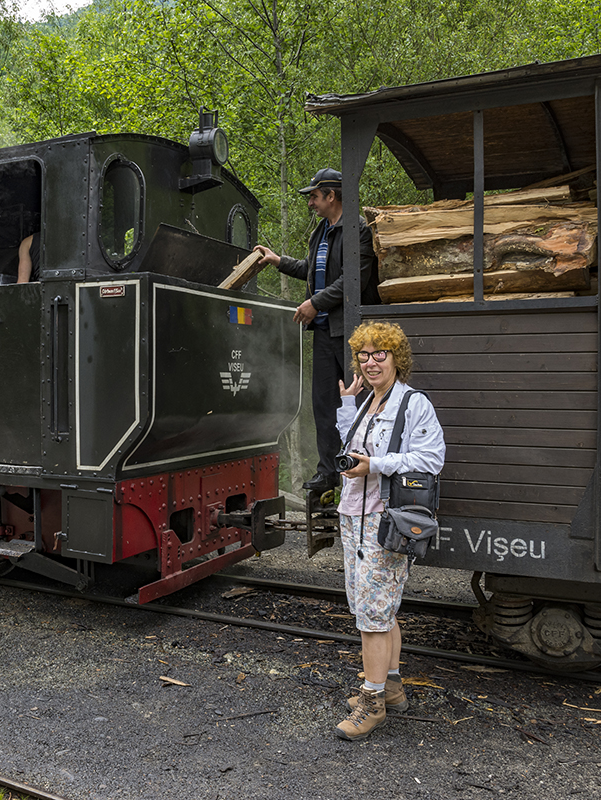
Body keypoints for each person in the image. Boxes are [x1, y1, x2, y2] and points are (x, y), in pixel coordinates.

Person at [331, 321, 445, 740]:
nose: (371, 360)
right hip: (353, 515)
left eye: (381, 353)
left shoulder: (413, 403)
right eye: (364, 353)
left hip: (385, 520)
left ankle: (373, 702)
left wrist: (376, 465)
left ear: (398, 358)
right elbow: (350, 451)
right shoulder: (368, 402)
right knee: (375, 608)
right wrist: (347, 405)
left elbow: (431, 459)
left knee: (372, 616)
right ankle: (393, 686)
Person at [252, 167, 377, 492]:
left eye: (314, 197)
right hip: (323, 334)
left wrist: (315, 304)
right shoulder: (321, 232)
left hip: (350, 332)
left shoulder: (358, 231)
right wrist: (278, 261)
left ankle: (361, 466)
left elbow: (352, 280)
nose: (311, 203)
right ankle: (328, 472)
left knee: (359, 402)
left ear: (331, 196)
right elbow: (313, 271)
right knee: (323, 404)